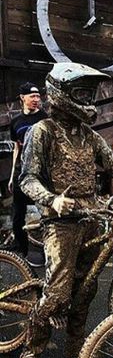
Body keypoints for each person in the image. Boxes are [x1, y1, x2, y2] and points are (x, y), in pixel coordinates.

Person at [15, 63, 113, 358]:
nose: (87, 100)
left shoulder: (90, 136)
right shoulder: (43, 131)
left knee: (87, 288)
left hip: (92, 218)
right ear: (62, 94)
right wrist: (51, 200)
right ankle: (29, 354)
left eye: (89, 94)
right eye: (81, 93)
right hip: (60, 222)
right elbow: (27, 179)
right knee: (57, 295)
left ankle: (77, 347)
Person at [6, 83, 48, 264]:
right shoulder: (15, 121)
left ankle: (47, 251)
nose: (36, 100)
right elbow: (17, 147)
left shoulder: (44, 118)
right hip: (20, 172)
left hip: (39, 172)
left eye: (38, 96)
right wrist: (11, 176)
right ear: (22, 97)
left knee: (45, 213)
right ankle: (22, 252)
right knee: (17, 214)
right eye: (32, 96)